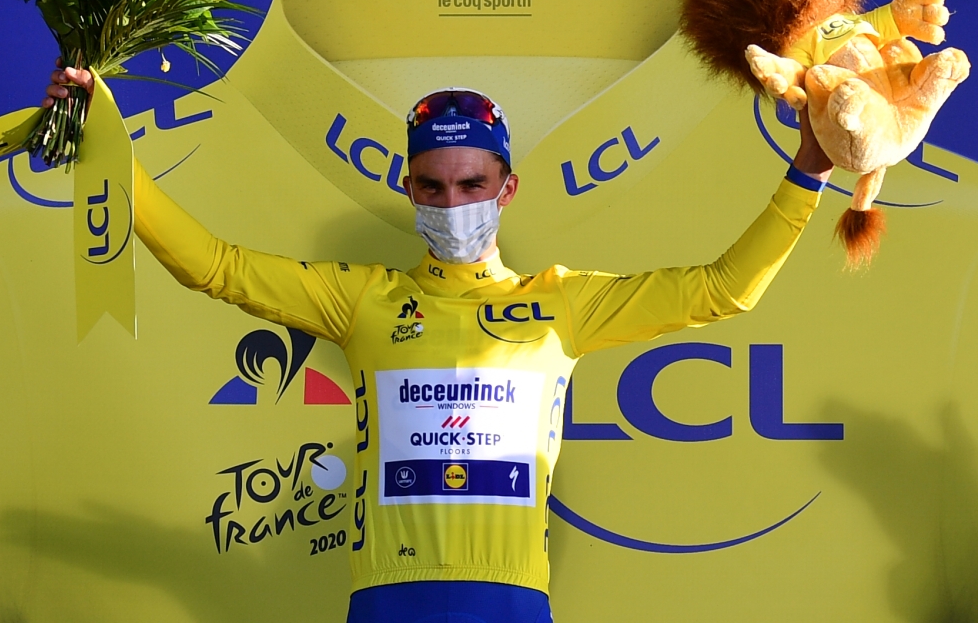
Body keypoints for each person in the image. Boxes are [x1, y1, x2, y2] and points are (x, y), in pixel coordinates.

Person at [45, 68, 833, 623]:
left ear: (507, 186)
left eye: (471, 184)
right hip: (389, 600)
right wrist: (110, 148)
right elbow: (212, 266)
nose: (452, 202)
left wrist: (810, 165)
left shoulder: (562, 302)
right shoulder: (363, 299)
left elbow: (725, 288)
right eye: (433, 186)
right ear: (408, 188)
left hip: (512, 601)